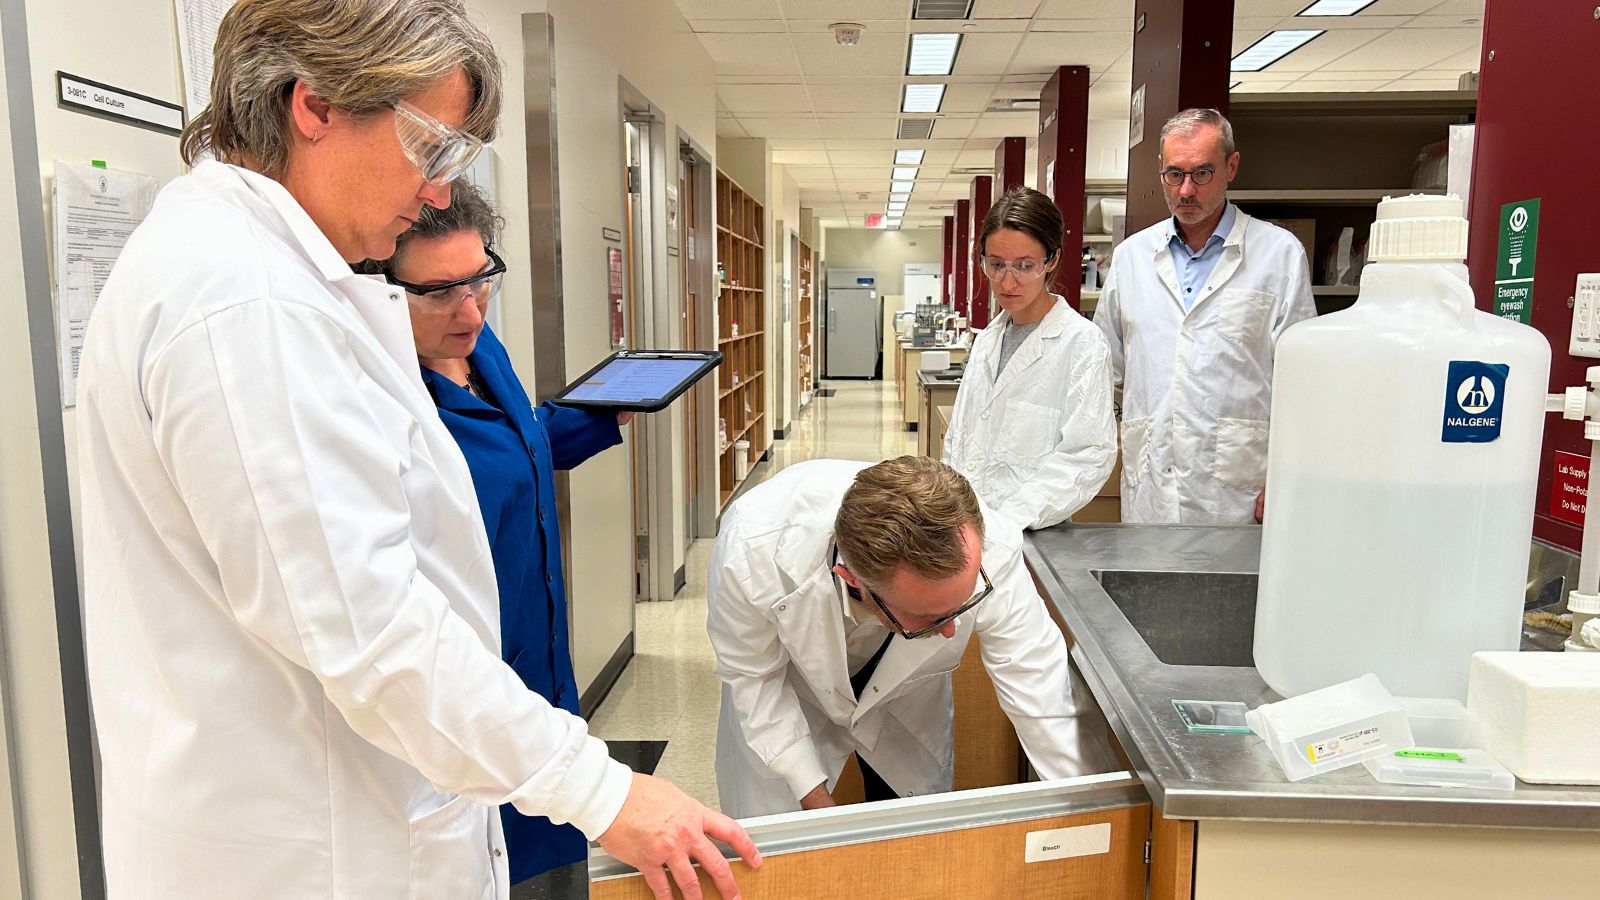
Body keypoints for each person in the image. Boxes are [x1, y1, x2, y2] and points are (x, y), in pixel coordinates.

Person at [75, 3, 756, 899]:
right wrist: (604, 790)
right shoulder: (248, 302)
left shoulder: (269, 276)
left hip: (342, 818)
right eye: (426, 146)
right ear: (313, 105)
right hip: (306, 850)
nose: (436, 191)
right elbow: (370, 628)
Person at [364, 182, 629, 884]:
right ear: (381, 291)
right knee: (496, 859)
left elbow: (521, 445)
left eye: (480, 279)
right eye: (440, 292)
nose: (470, 309)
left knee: (554, 850)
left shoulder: (483, 352)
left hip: (542, 666)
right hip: (466, 692)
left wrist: (602, 413)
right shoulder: (382, 401)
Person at [706, 456, 1092, 819]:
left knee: (913, 842)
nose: (949, 630)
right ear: (852, 579)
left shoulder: (989, 545)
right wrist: (815, 800)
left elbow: (1043, 694)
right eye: (928, 617)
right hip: (791, 690)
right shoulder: (750, 551)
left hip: (904, 703)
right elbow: (756, 682)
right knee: (782, 858)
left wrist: (1086, 812)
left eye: (961, 606)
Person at [1094, 107, 1316, 524]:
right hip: (1153, 488)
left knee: (1234, 590)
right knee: (1147, 587)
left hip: (1238, 495)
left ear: (1231, 166)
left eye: (1202, 173)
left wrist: (1288, 475)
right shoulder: (1131, 259)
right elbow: (1104, 370)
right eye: (1174, 174)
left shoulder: (1279, 254)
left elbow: (1302, 381)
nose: (1186, 191)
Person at [942, 186, 1117, 529]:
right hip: (965, 532)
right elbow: (958, 439)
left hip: (1030, 533)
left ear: (1051, 260)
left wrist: (1008, 520)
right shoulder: (988, 340)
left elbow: (1086, 456)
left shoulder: (1081, 344)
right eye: (996, 265)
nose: (1008, 281)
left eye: (1025, 266)